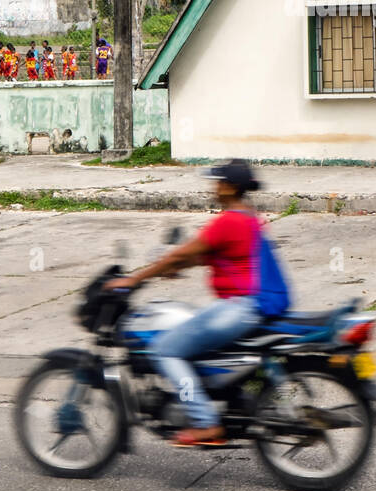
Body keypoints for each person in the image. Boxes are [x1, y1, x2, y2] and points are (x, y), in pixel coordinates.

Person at [104, 159, 263, 446]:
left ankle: (204, 422)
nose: (213, 187)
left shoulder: (228, 221)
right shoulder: (249, 216)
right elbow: (206, 256)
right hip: (247, 307)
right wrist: (173, 267)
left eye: (217, 182)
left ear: (228, 187)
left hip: (236, 309)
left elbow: (184, 253)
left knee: (165, 350)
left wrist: (135, 279)